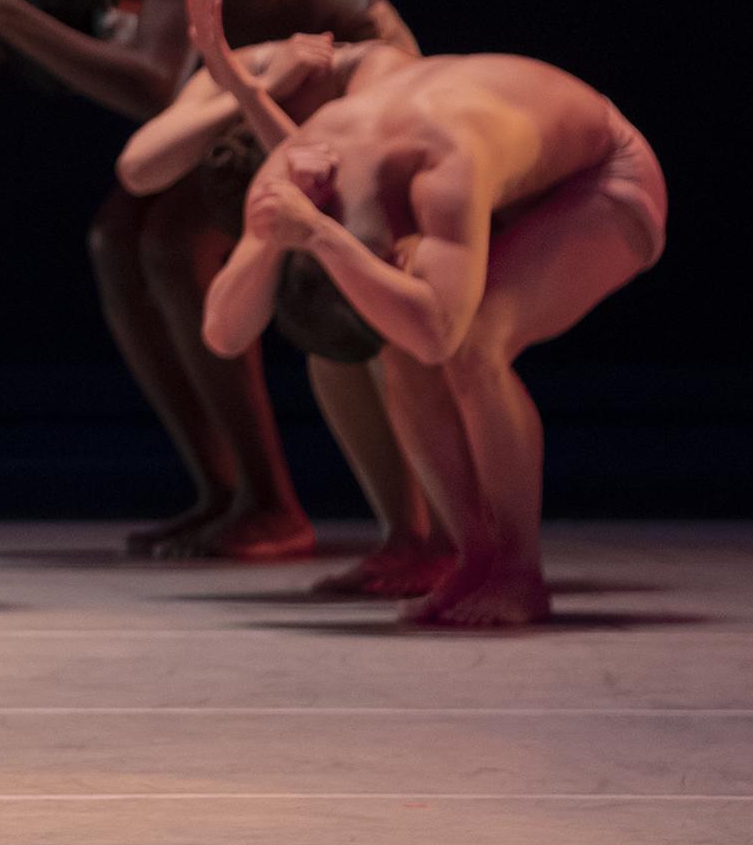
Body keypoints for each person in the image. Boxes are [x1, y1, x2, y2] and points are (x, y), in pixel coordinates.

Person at [0, 0, 409, 558]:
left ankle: (273, 502)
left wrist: (2, 10)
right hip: (244, 94)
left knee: (171, 241)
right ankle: (225, 492)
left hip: (345, 69)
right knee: (116, 239)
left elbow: (154, 83)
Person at [200, 45, 662, 628]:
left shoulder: (440, 164)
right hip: (506, 178)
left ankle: (519, 574)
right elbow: (223, 332)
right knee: (404, 353)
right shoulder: (293, 168)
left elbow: (438, 335)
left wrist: (321, 235)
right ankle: (473, 560)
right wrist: (272, 239)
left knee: (472, 347)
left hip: (604, 179)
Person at [118, 0, 443, 596]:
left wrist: (251, 98)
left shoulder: (374, 71)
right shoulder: (248, 69)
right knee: (332, 352)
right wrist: (248, 91)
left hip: (416, 207)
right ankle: (407, 538)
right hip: (332, 207)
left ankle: (457, 542)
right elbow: (139, 168)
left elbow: (352, 182)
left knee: (396, 340)